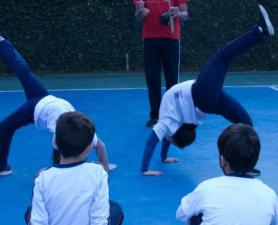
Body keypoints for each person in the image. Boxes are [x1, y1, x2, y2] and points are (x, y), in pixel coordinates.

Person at [141, 5, 275, 175]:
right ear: (173, 134)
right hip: (201, 94)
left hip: (210, 102)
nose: (167, 140)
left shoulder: (171, 124)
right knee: (223, 55)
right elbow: (154, 141)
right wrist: (148, 167)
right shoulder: (168, 122)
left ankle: (244, 166)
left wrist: (157, 161)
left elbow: (161, 140)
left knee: (246, 123)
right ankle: (259, 31)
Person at [0, 36, 116, 176]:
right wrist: (105, 169)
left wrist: (105, 167)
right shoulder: (83, 131)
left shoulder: (74, 130)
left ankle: (3, 167)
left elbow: (96, 147)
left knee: (23, 72)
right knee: (23, 73)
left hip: (37, 108)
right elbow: (100, 147)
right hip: (43, 97)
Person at [25, 111, 124, 225]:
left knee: (30, 211)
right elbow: (99, 219)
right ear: (89, 148)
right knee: (115, 209)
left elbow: (38, 222)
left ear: (56, 143)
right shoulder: (98, 172)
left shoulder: (42, 177)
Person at [176, 123, 278, 225]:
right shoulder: (269, 195)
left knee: (195, 215)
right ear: (255, 159)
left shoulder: (207, 188)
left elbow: (181, 214)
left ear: (222, 159)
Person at [133, 0, 189, 127]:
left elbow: (185, 15)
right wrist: (141, 11)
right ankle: (155, 116)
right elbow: (138, 17)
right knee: (152, 79)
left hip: (171, 39)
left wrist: (177, 13)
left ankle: (172, 115)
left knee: (172, 79)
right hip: (150, 39)